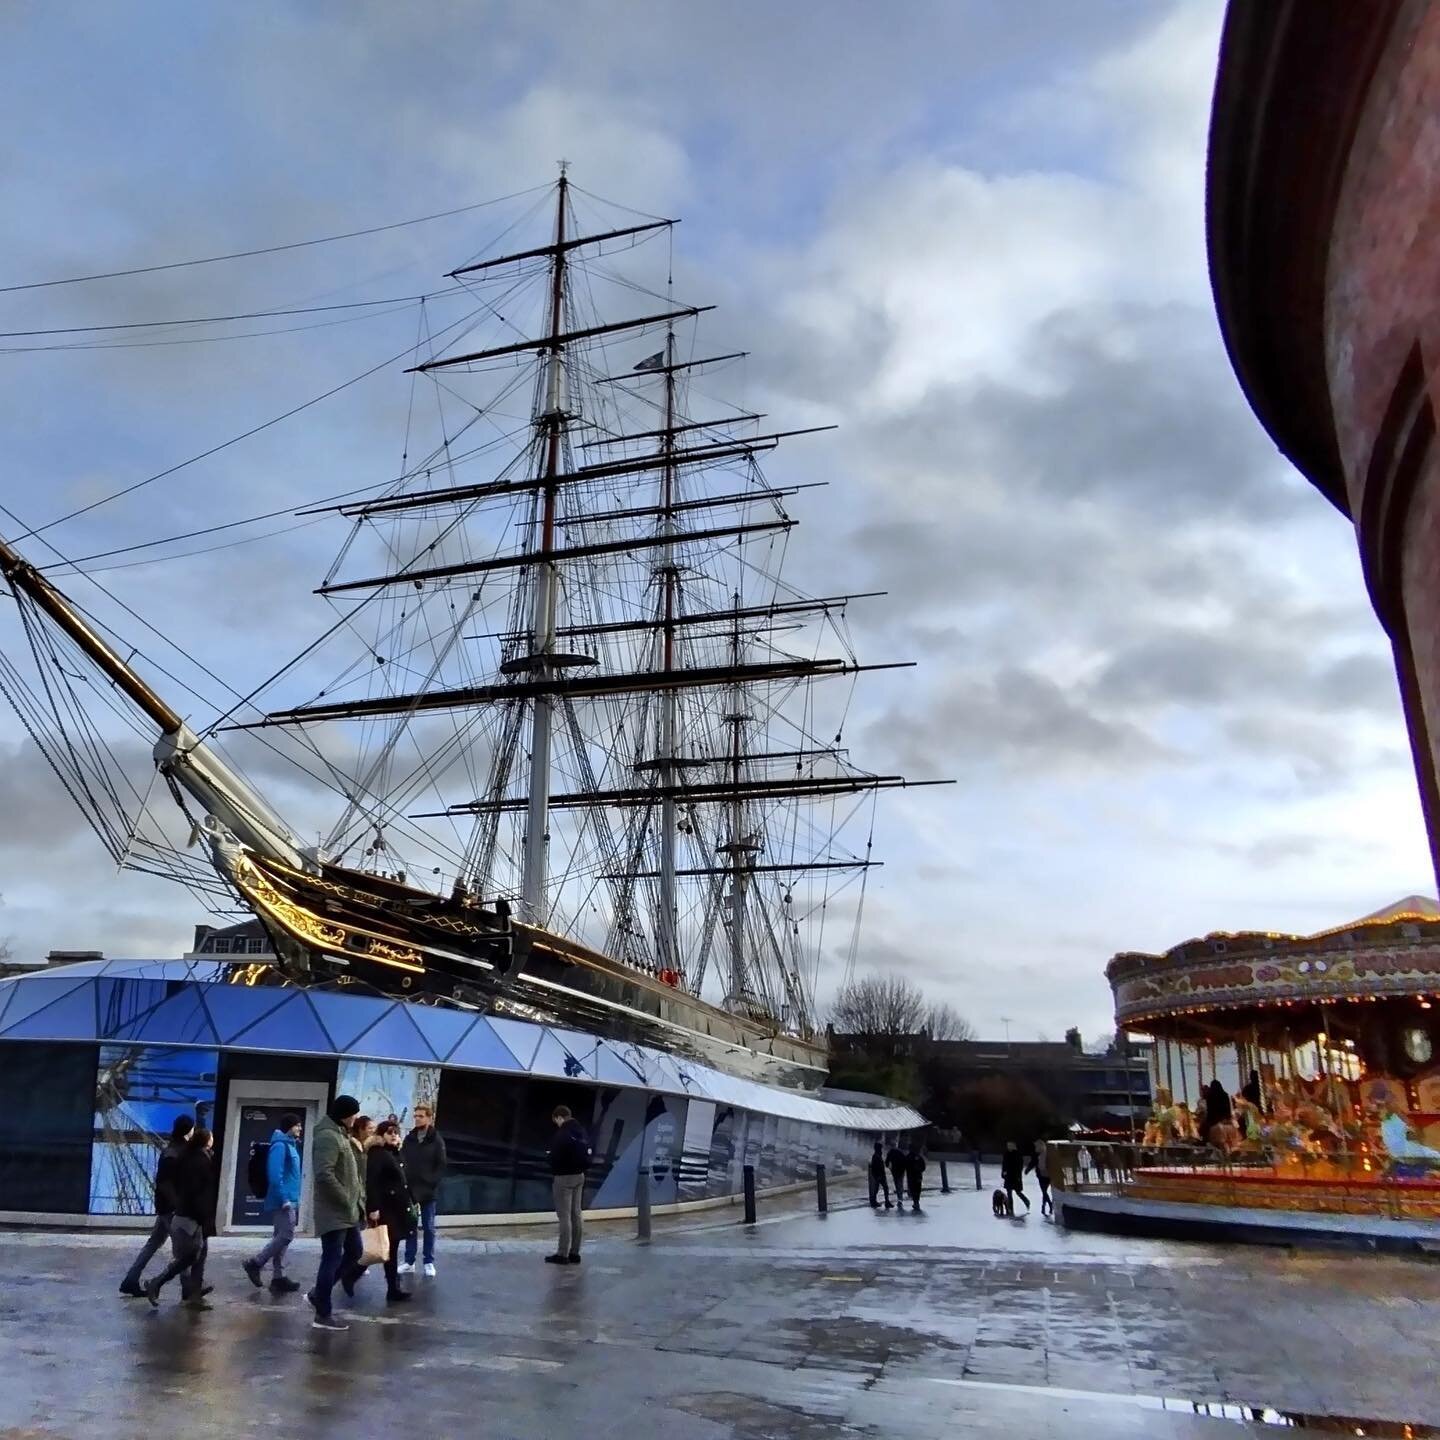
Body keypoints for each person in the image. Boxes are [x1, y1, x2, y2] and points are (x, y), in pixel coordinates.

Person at [308, 1094, 368, 1332]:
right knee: (331, 1258)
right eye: (353, 1113)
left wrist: (358, 1200)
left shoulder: (341, 1135)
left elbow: (351, 1175)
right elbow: (324, 1174)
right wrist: (345, 1199)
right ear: (345, 1115)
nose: (355, 1118)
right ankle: (323, 1313)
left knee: (355, 1252)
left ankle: (318, 1294)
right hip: (335, 1211)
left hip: (348, 1211)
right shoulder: (328, 1137)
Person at [119, 1114, 192, 1297]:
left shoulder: (173, 1149)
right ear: (188, 1130)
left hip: (165, 1207)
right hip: (171, 1209)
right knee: (183, 1250)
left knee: (154, 1243)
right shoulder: (175, 1153)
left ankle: (131, 1279)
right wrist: (177, 1204)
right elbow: (165, 1183)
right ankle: (187, 1287)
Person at [145, 1126, 217, 1309]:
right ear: (205, 1140)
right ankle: (160, 1284)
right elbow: (198, 1191)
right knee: (190, 1256)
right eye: (211, 1137)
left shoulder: (193, 1157)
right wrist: (202, 1215)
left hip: (190, 1215)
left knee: (193, 1256)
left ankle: (191, 1292)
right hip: (192, 1217)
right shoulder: (199, 1160)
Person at [242, 1112, 303, 1294]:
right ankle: (256, 1262)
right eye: (297, 1125)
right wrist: (284, 1198)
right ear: (289, 1127)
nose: (300, 1128)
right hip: (283, 1200)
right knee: (286, 1235)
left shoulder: (290, 1145)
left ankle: (278, 1278)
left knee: (280, 1238)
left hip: (290, 1198)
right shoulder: (280, 1146)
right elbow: (275, 1175)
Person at [366, 1121, 413, 1303]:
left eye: (396, 1132)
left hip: (396, 1208)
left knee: (388, 1249)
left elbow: (403, 1180)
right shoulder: (378, 1153)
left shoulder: (393, 1153)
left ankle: (393, 1288)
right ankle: (350, 1276)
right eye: (389, 1132)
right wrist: (373, 1208)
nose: (393, 1135)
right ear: (381, 1135)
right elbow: (373, 1183)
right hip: (386, 1209)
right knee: (383, 1248)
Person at [400, 1102, 447, 1278]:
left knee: (428, 1226)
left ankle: (428, 1262)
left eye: (421, 1116)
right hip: (411, 1189)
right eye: (416, 1116)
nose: (418, 1119)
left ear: (429, 1117)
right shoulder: (410, 1138)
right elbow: (402, 1159)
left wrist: (431, 1182)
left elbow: (441, 1164)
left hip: (428, 1190)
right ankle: (409, 1261)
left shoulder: (436, 1139)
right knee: (410, 1226)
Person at [547, 1105, 591, 1265]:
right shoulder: (581, 1131)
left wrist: (550, 1160)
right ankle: (575, 1252)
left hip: (563, 1178)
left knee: (564, 1216)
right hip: (580, 1176)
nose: (556, 1124)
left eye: (556, 1121)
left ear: (559, 1117)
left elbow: (554, 1157)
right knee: (576, 1214)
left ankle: (562, 1254)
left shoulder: (562, 1134)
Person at [1000, 1139, 1031, 1213]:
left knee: (1018, 1192)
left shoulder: (1017, 1155)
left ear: (1014, 1146)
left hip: (1015, 1176)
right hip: (1008, 1176)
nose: (1008, 1147)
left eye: (1010, 1145)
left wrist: (1018, 1176)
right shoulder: (1006, 1154)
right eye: (1008, 1145)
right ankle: (1010, 1208)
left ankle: (1026, 1201)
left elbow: (1019, 1166)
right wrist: (1003, 1173)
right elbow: (1004, 1164)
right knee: (1009, 1193)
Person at [867, 1141, 892, 1209]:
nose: (881, 1149)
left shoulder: (878, 1155)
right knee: (882, 1188)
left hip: (880, 1175)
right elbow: (874, 1167)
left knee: (880, 1188)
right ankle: (877, 1201)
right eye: (880, 1148)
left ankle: (880, 1201)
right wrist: (877, 1176)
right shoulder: (876, 1156)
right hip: (879, 1175)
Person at [1033, 1137, 1053, 1217]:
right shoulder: (1045, 1153)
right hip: (1046, 1175)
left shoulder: (1042, 1154)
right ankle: (1044, 1206)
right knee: (1044, 1191)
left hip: (1043, 1175)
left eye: (1036, 1146)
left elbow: (1042, 1166)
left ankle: (1049, 1205)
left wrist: (1040, 1170)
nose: (1035, 1148)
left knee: (1044, 1192)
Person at [886, 1140, 907, 1211]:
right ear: (895, 1145)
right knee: (900, 1184)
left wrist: (890, 1168)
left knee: (897, 1184)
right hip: (900, 1170)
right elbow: (905, 1161)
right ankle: (900, 1199)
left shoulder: (890, 1153)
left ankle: (900, 1198)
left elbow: (886, 1163)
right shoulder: (900, 1152)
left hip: (895, 1171)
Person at [905, 1144, 926, 1211]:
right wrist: (920, 1170)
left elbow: (905, 1166)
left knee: (913, 1189)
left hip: (911, 1176)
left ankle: (915, 1202)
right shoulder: (919, 1157)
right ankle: (916, 1202)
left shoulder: (908, 1157)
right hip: (918, 1176)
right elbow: (923, 1166)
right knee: (918, 1189)